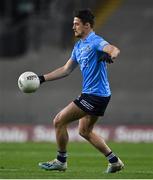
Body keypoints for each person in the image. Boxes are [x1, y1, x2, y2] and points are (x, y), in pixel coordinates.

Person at [38, 9, 124, 173]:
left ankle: (61, 161)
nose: (73, 27)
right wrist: (41, 78)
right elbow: (66, 69)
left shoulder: (95, 41)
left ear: (87, 25)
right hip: (97, 94)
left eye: (76, 24)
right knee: (84, 131)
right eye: (73, 24)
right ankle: (114, 162)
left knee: (59, 121)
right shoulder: (79, 46)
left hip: (95, 95)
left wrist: (110, 56)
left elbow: (113, 49)